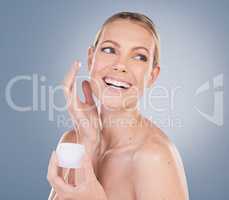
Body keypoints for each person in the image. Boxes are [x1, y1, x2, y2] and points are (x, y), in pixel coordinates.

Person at [47, 11, 189, 200]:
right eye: (109, 50)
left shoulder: (153, 157)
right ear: (91, 59)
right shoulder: (73, 142)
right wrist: (88, 141)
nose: (120, 65)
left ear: (152, 75)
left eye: (139, 57)